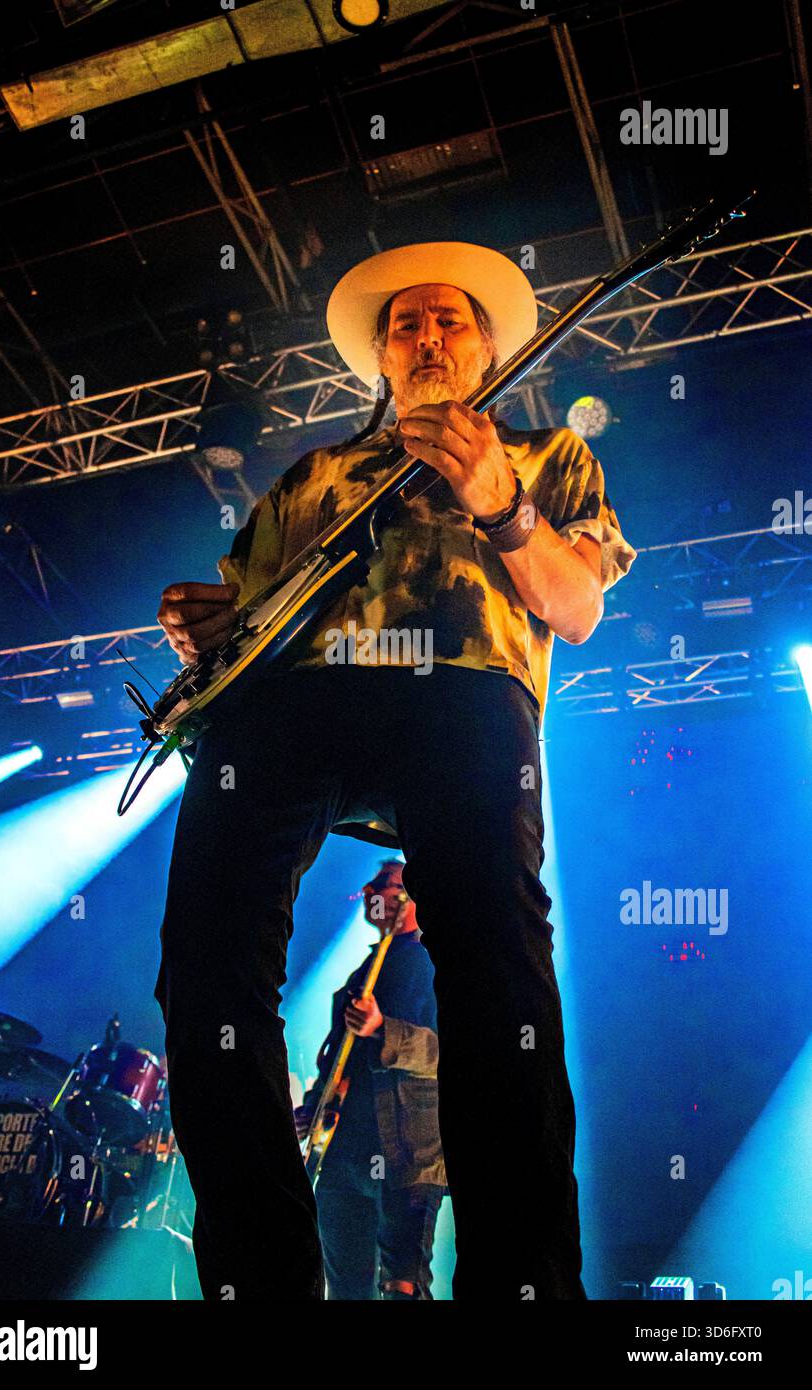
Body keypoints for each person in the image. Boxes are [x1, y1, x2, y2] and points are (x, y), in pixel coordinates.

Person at [154, 240, 637, 1300]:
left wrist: (496, 497)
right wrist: (210, 632)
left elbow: (576, 605)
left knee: (496, 960)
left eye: (448, 321)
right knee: (202, 955)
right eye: (406, 325)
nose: (427, 337)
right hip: (293, 702)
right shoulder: (314, 475)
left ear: (484, 348)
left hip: (459, 686)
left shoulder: (545, 454)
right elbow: (246, 620)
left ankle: (521, 1280)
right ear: (379, 357)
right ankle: (260, 1279)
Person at [294, 858, 445, 1300]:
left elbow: (446, 1055)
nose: (369, 890)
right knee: (345, 1289)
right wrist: (316, 1107)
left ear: (412, 897)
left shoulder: (433, 965)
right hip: (343, 1156)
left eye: (384, 884)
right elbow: (339, 1067)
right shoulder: (360, 976)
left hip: (405, 1155)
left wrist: (383, 1029)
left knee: (402, 1287)